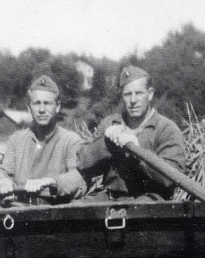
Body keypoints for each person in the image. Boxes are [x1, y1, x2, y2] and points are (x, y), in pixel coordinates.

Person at [76, 65, 185, 199]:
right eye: (128, 94)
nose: (133, 100)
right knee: (76, 212)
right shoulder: (109, 124)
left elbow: (173, 177)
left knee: (143, 209)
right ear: (122, 96)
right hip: (111, 199)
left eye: (138, 93)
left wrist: (140, 153)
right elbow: (82, 163)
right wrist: (106, 142)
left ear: (150, 94)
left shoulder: (166, 128)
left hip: (151, 202)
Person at [0, 75, 85, 202]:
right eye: (36, 103)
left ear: (57, 106)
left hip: (55, 213)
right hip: (21, 209)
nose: (41, 110)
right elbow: (1, 170)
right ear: (29, 108)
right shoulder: (17, 140)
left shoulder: (71, 141)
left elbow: (78, 178)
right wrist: (1, 180)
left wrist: (51, 181)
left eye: (47, 103)